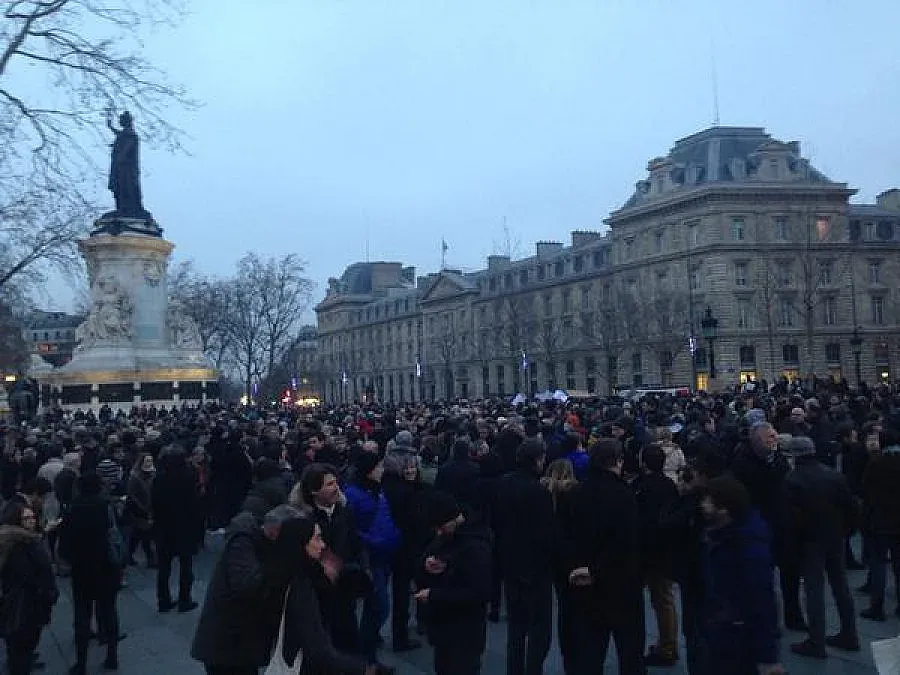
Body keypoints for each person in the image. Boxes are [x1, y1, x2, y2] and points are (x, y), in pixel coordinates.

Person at [561, 438, 645, 675]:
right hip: (621, 582)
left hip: (583, 581)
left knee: (588, 650)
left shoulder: (575, 493)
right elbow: (626, 541)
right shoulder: (625, 494)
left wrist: (576, 568)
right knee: (629, 649)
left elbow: (565, 537)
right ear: (617, 461)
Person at [191, 505, 305, 675]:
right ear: (277, 532)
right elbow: (248, 586)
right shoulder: (243, 543)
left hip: (241, 642)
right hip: (227, 644)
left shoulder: (259, 543)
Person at [276, 516, 386, 675]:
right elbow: (318, 650)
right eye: (317, 538)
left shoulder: (286, 575)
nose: (322, 545)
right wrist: (364, 670)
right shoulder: (301, 588)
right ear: (302, 543)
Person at [782, 436, 858, 658]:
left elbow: (790, 519)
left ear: (794, 455)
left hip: (809, 541)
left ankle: (816, 641)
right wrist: (846, 531)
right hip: (834, 537)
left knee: (814, 591)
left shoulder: (792, 479)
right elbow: (851, 506)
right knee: (841, 586)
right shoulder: (833, 475)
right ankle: (849, 634)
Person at [701, 475, 784, 675]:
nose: (702, 505)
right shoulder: (730, 536)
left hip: (737, 634)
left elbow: (761, 598)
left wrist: (767, 655)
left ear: (723, 508)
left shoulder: (745, 547)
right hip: (726, 629)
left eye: (708, 501)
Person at [730, 422, 803, 630]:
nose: (774, 441)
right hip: (759, 525)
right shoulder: (742, 463)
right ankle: (768, 620)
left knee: (790, 573)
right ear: (756, 440)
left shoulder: (778, 459)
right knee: (763, 578)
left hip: (782, 524)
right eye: (769, 437)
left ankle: (793, 615)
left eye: (774, 436)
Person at [494, 437, 555, 675]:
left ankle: (515, 669)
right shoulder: (538, 491)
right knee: (540, 628)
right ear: (537, 460)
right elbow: (545, 533)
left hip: (509, 562)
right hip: (535, 568)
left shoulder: (503, 483)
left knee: (516, 627)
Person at [415, 491, 493, 675]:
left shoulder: (476, 547)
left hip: (464, 632)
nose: (438, 532)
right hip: (445, 628)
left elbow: (479, 592)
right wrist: (426, 563)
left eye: (440, 527)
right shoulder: (447, 536)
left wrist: (434, 595)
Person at [58, 472, 123, 675]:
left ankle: (81, 662)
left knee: (82, 614)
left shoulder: (71, 509)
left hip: (82, 568)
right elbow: (115, 535)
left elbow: (64, 545)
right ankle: (112, 655)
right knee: (109, 610)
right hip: (107, 566)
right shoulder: (106, 506)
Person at [344, 453, 400, 669]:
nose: (382, 470)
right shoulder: (353, 494)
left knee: (376, 606)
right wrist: (371, 541)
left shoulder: (376, 489)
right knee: (379, 606)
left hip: (382, 555)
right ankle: (365, 656)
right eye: (378, 466)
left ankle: (368, 653)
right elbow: (351, 528)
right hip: (370, 557)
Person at [633, 443, 679, 667]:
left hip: (648, 550)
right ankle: (667, 644)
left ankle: (667, 647)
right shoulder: (670, 485)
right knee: (664, 599)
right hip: (666, 548)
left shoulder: (642, 487)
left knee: (660, 600)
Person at [0, 501, 57, 675]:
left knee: (16, 645)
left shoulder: (10, 540)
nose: (32, 520)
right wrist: (48, 594)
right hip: (26, 605)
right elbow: (34, 575)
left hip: (14, 603)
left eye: (32, 517)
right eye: (26, 518)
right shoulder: (25, 544)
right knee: (24, 645)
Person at [152, 447, 201, 613]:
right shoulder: (188, 477)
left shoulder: (159, 478)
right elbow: (194, 503)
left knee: (164, 567)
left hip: (164, 527)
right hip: (184, 526)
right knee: (186, 565)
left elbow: (154, 502)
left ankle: (163, 600)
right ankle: (184, 599)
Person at [125, 452, 156, 567]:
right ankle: (150, 558)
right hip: (139, 510)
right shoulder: (135, 477)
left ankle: (129, 555)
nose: (149, 463)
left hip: (150, 508)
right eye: (147, 461)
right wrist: (141, 508)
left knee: (139, 534)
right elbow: (132, 495)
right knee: (143, 534)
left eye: (150, 461)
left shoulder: (153, 474)